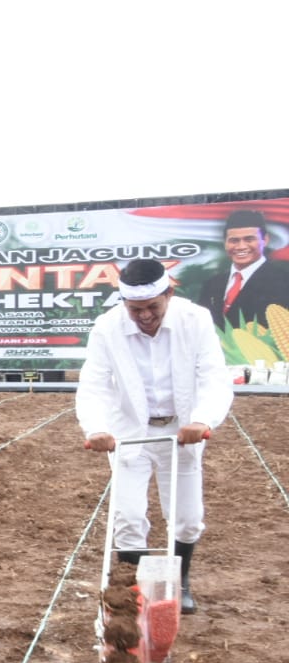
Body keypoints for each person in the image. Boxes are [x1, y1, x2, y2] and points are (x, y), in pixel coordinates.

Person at [77, 258, 234, 614]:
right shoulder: (107, 328)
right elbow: (94, 384)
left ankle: (180, 583)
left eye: (152, 307)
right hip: (130, 431)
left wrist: (202, 418)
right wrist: (96, 428)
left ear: (169, 293)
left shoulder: (194, 320)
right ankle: (136, 592)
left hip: (183, 431)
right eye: (135, 309)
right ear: (123, 304)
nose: (144, 316)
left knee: (188, 517)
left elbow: (213, 376)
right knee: (129, 516)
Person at [197, 209, 289, 330]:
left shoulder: (283, 281)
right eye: (234, 240)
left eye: (249, 239)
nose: (241, 247)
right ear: (225, 243)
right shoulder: (212, 284)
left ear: (265, 240)